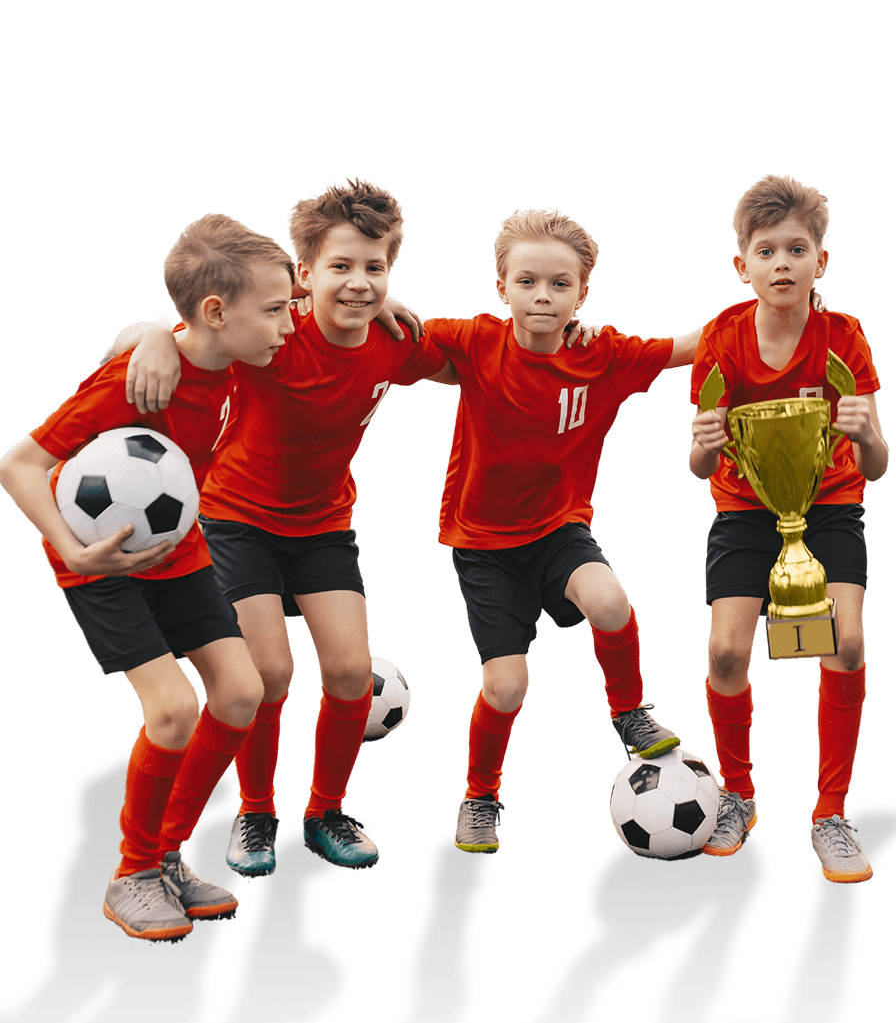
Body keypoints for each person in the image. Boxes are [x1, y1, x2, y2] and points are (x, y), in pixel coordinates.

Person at [117, 179, 443, 875]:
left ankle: (325, 812)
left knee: (353, 671)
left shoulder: (394, 341)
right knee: (268, 674)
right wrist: (148, 333)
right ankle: (255, 815)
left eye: (375, 268)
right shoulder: (271, 332)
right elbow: (179, 329)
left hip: (324, 526)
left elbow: (476, 359)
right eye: (340, 267)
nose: (358, 283)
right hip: (238, 521)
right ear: (303, 275)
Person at [0, 213, 293, 940]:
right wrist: (73, 547)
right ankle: (131, 872)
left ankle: (166, 856)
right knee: (172, 710)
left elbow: (313, 315)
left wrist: (152, 327)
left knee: (242, 691)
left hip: (176, 546)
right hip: (99, 559)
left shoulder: (229, 354)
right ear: (218, 312)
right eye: (279, 310)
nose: (290, 324)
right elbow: (18, 465)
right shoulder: (137, 382)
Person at [422, 207, 702, 854]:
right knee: (507, 685)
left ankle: (629, 714)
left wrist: (770, 311)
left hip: (558, 531)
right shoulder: (472, 342)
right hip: (484, 548)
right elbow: (396, 333)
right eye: (527, 283)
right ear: (501, 287)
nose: (542, 297)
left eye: (559, 284)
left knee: (609, 600)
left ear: (582, 292)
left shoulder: (603, 355)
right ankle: (479, 796)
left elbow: (688, 348)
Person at [688, 174, 889, 881]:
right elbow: (695, 463)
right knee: (725, 653)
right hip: (744, 513)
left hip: (830, 510)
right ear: (742, 265)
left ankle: (830, 814)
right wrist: (706, 442)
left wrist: (866, 433)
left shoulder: (845, 338)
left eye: (796, 248)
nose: (782, 263)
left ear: (820, 261)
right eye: (765, 250)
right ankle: (737, 796)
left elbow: (881, 465)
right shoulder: (722, 337)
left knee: (847, 638)